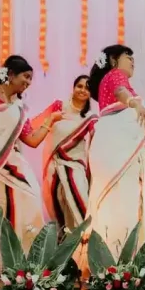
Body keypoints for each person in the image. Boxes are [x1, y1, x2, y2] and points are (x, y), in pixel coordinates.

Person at [77, 45, 145, 276]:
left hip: (112, 150)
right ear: (113, 60)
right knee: (125, 205)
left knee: (111, 205)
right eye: (128, 56)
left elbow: (140, 130)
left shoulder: (111, 90)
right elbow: (122, 92)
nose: (132, 60)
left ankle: (106, 261)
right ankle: (122, 263)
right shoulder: (115, 76)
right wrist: (135, 103)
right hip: (119, 155)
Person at [0, 55, 61, 274]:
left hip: (9, 162)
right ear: (10, 74)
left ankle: (17, 263)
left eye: (30, 79)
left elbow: (32, 140)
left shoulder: (19, 107)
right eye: (25, 77)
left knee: (29, 198)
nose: (28, 82)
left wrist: (50, 119)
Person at [38, 75, 97, 230]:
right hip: (54, 165)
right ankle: (63, 240)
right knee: (58, 204)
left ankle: (85, 239)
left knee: (80, 201)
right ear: (73, 88)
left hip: (75, 165)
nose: (82, 90)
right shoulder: (59, 106)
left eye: (87, 88)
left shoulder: (90, 118)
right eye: (79, 86)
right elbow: (38, 124)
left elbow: (97, 140)